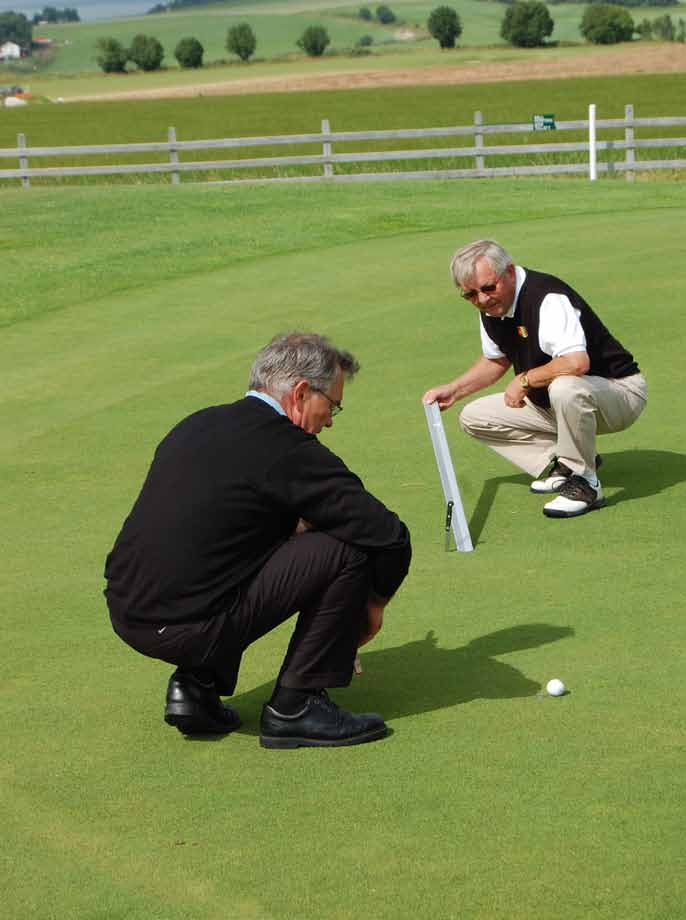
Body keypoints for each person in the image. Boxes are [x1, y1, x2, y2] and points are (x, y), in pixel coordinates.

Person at [104, 332, 411, 749]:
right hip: (187, 625)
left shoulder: (199, 422)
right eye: (332, 405)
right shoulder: (288, 448)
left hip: (127, 611)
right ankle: (296, 707)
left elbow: (223, 529)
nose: (332, 419)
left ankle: (195, 687)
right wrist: (370, 607)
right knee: (348, 548)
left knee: (236, 553)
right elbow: (389, 536)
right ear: (302, 393)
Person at [423, 240, 647, 519]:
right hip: (556, 403)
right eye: (469, 295)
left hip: (619, 393)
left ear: (510, 273)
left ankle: (586, 483)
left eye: (488, 288)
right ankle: (565, 463)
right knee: (474, 416)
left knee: (565, 386)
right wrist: (454, 391)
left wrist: (526, 380)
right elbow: (496, 360)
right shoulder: (492, 309)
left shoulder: (547, 298)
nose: (481, 300)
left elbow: (577, 363)